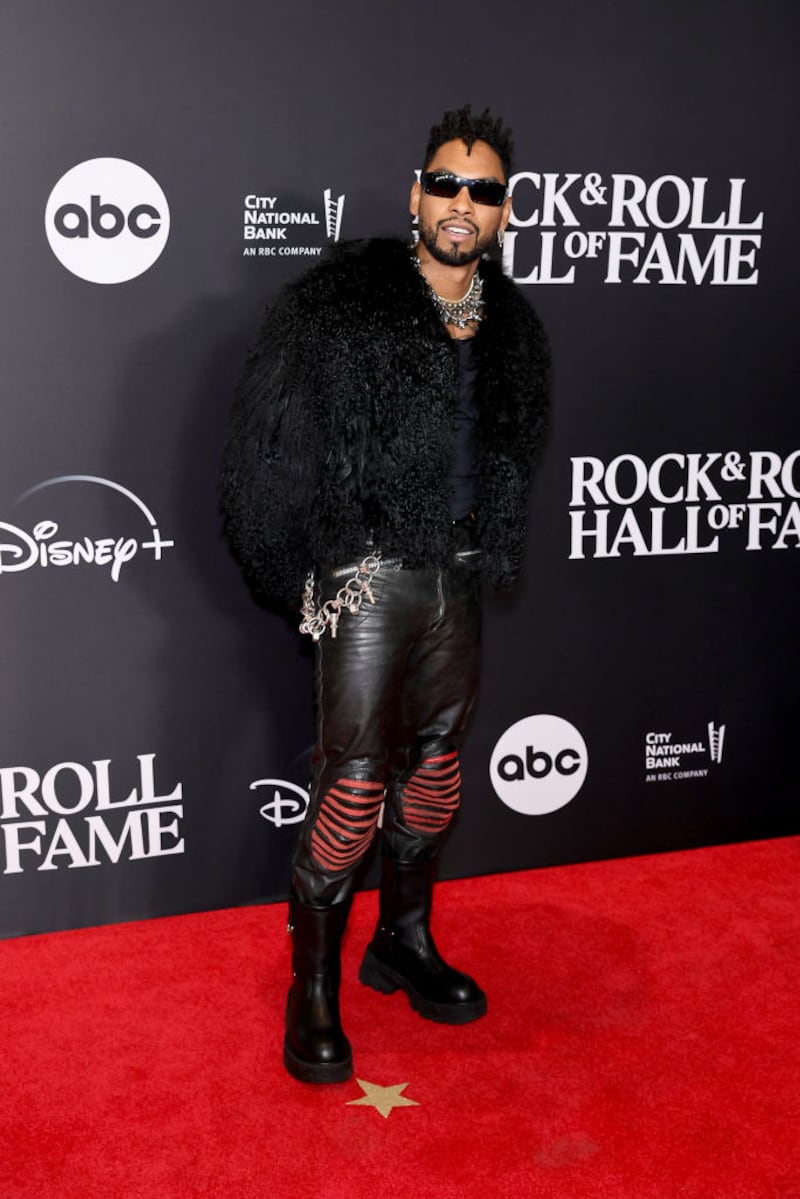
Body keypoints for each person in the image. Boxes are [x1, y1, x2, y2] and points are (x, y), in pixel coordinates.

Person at [220, 105, 550, 1084]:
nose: (461, 203)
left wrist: (481, 546)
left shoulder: (514, 326)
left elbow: (509, 457)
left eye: (482, 191)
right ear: (414, 193)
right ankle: (309, 986)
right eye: (445, 184)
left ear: (502, 211)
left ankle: (400, 939)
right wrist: (305, 578)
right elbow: (262, 453)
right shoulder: (337, 303)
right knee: (353, 785)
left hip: (455, 573)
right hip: (362, 574)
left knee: (436, 769)